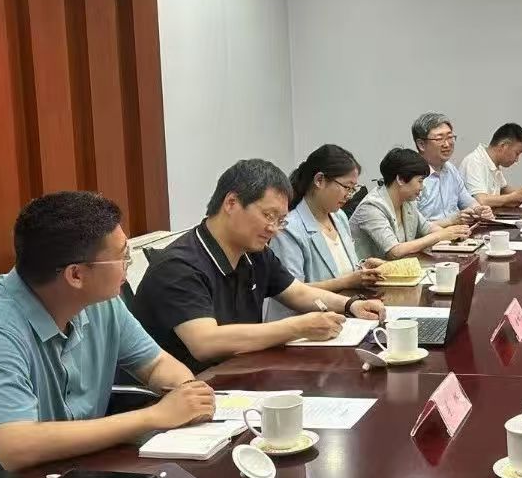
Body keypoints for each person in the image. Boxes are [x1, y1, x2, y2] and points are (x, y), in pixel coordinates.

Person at [0, 192, 217, 478]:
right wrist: (154, 416)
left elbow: (156, 364)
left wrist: (187, 394)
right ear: (76, 274)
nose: (128, 266)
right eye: (122, 256)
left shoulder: (102, 302)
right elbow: (15, 445)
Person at [133, 159, 385, 373]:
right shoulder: (179, 265)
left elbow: (297, 292)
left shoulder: (255, 253)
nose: (274, 229)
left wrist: (351, 305)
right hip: (187, 391)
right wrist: (297, 327)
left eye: (281, 220)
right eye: (268, 215)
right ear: (231, 203)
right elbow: (205, 343)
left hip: (241, 373)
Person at [268, 144, 385, 320]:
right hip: (304, 323)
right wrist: (347, 281)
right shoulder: (289, 228)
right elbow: (292, 291)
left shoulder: (339, 217)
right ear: (319, 180)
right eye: (347, 187)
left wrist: (363, 269)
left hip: (345, 313)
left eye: (353, 189)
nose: (349, 195)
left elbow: (341, 268)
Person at [351, 148, 473, 260]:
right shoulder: (372, 207)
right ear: (400, 179)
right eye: (420, 181)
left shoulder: (407, 201)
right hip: (368, 273)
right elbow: (394, 251)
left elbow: (427, 228)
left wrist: (454, 234)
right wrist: (440, 236)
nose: (422, 187)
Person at [412, 112, 493, 224]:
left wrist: (479, 210)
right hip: (434, 234)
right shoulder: (412, 176)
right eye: (439, 139)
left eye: (450, 137)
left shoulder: (450, 169)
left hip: (459, 231)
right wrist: (451, 221)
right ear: (421, 145)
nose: (447, 144)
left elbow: (467, 201)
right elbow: (413, 227)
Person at [458, 122, 522, 209]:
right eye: (517, 153)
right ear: (503, 146)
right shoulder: (474, 162)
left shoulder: (492, 162)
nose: (517, 159)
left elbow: (502, 189)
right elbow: (481, 201)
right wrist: (512, 197)